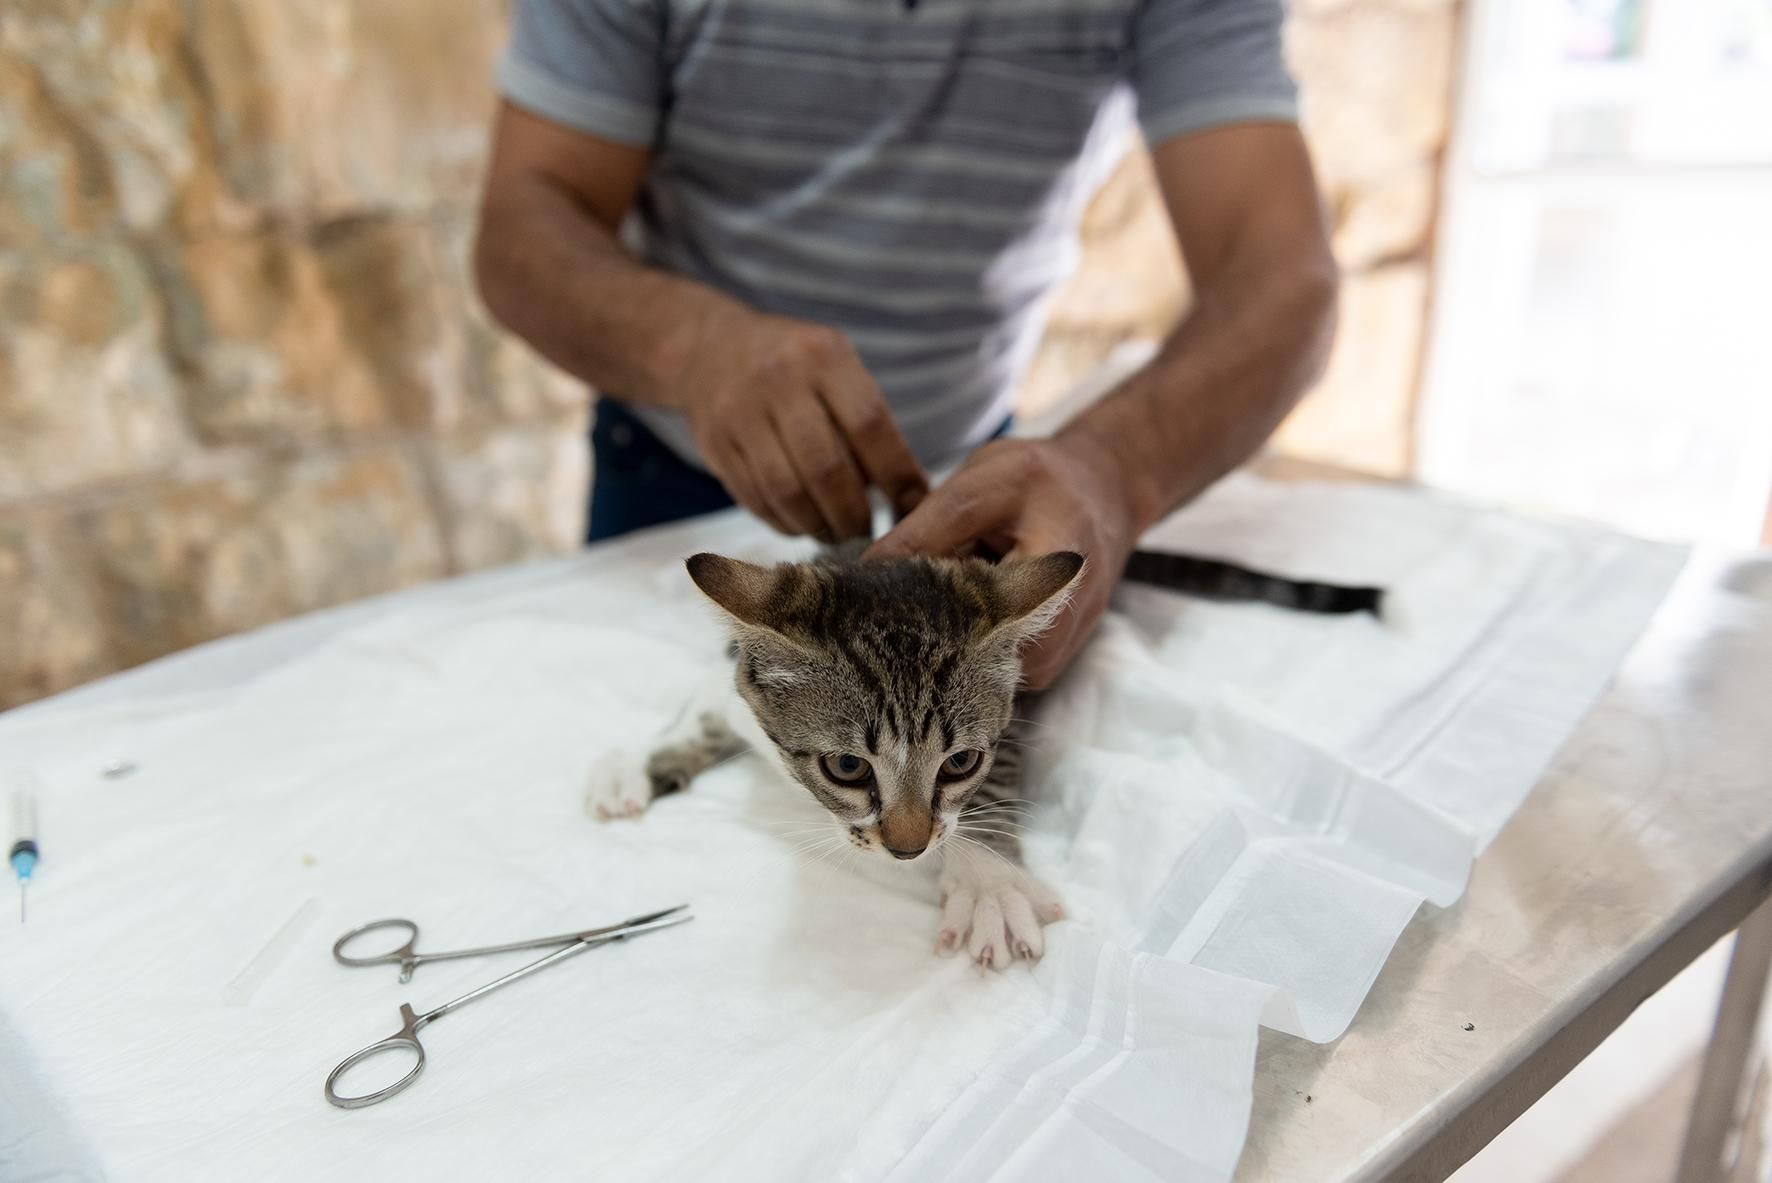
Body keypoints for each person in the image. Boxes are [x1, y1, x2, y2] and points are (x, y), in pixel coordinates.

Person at [474, 0, 1338, 689]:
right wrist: (693, 346)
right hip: (678, 487)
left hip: (981, 495)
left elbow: (1283, 276)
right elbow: (519, 227)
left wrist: (1115, 470)